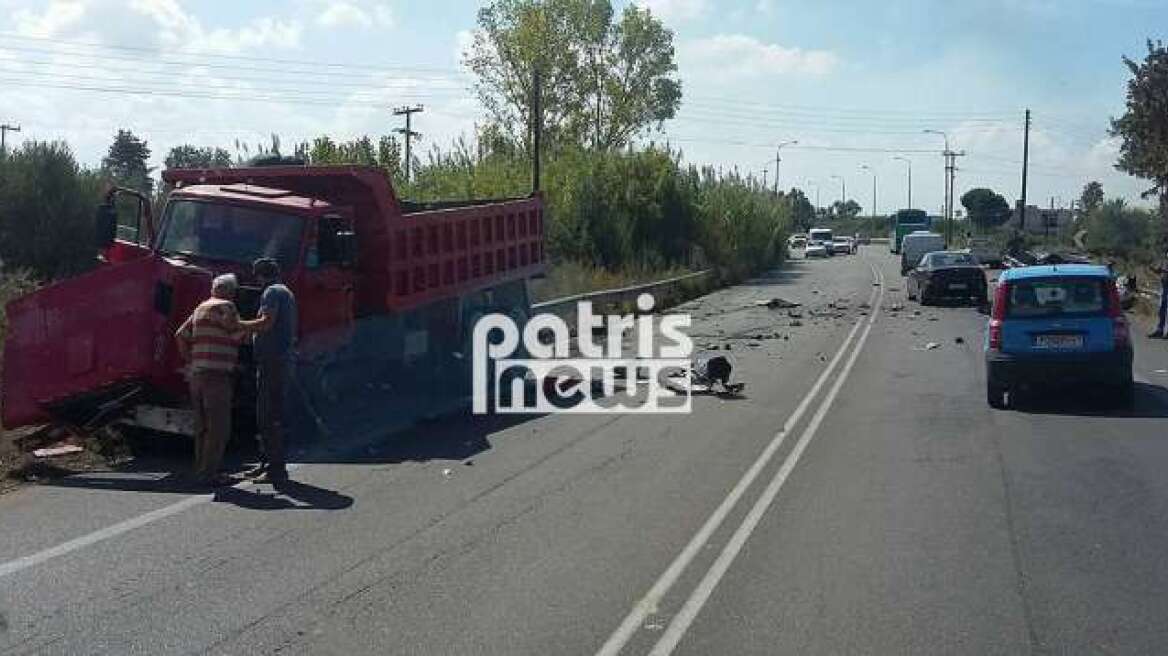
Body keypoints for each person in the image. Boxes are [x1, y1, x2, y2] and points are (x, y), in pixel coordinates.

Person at [175, 274, 248, 487]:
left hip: (197, 375)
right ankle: (210, 474)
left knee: (202, 425)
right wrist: (259, 324)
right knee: (219, 426)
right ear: (230, 291)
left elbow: (180, 335)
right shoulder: (227, 307)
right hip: (217, 375)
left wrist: (192, 360)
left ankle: (200, 469)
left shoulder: (201, 308)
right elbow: (238, 335)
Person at [244, 258, 298, 485]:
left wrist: (238, 325)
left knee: (269, 415)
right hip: (276, 361)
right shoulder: (283, 291)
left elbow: (266, 323)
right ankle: (267, 463)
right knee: (266, 413)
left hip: (274, 362)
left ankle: (276, 469)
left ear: (260, 276)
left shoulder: (272, 293)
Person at [1151, 251, 1168, 339]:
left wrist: (1163, 270)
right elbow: (1159, 270)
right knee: (1162, 310)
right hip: (1164, 287)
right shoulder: (1164, 261)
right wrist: (1154, 269)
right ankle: (1159, 330)